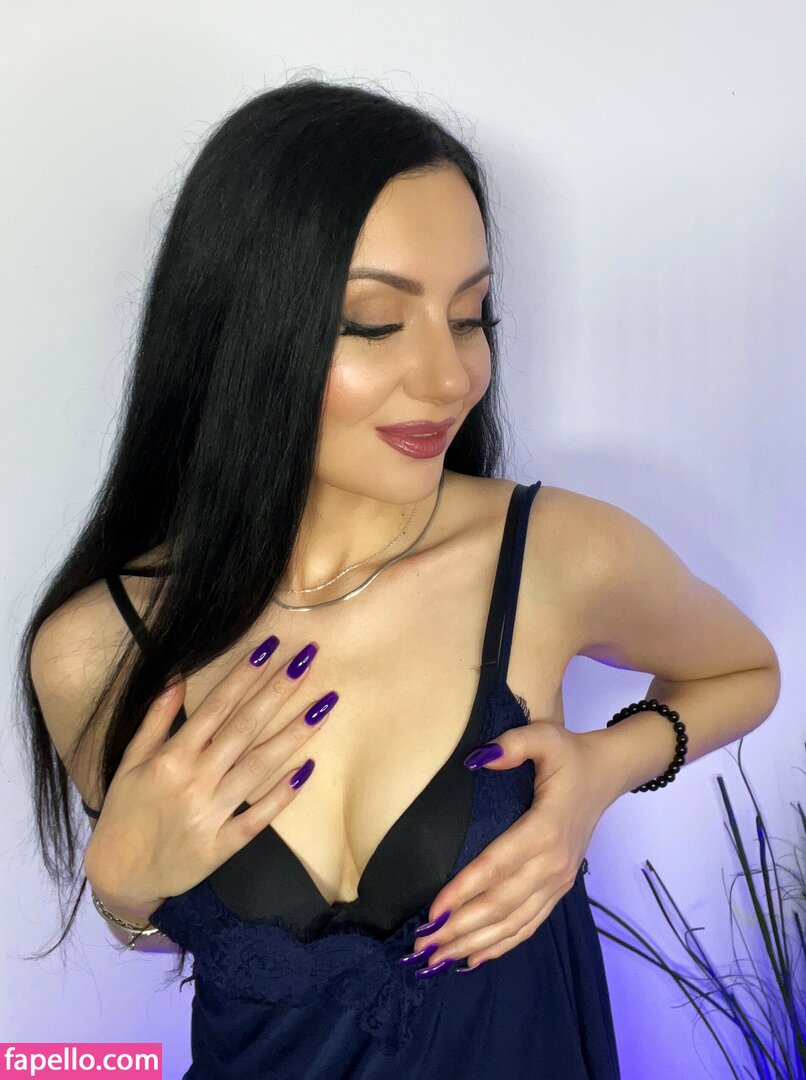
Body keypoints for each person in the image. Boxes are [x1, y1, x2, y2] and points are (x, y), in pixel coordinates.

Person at [20, 77, 779, 1079]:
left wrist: (601, 769)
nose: (449, 378)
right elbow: (190, 934)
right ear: (244, 331)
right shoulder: (98, 649)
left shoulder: (551, 555)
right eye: (376, 324)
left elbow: (745, 671)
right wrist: (120, 892)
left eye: (470, 318)